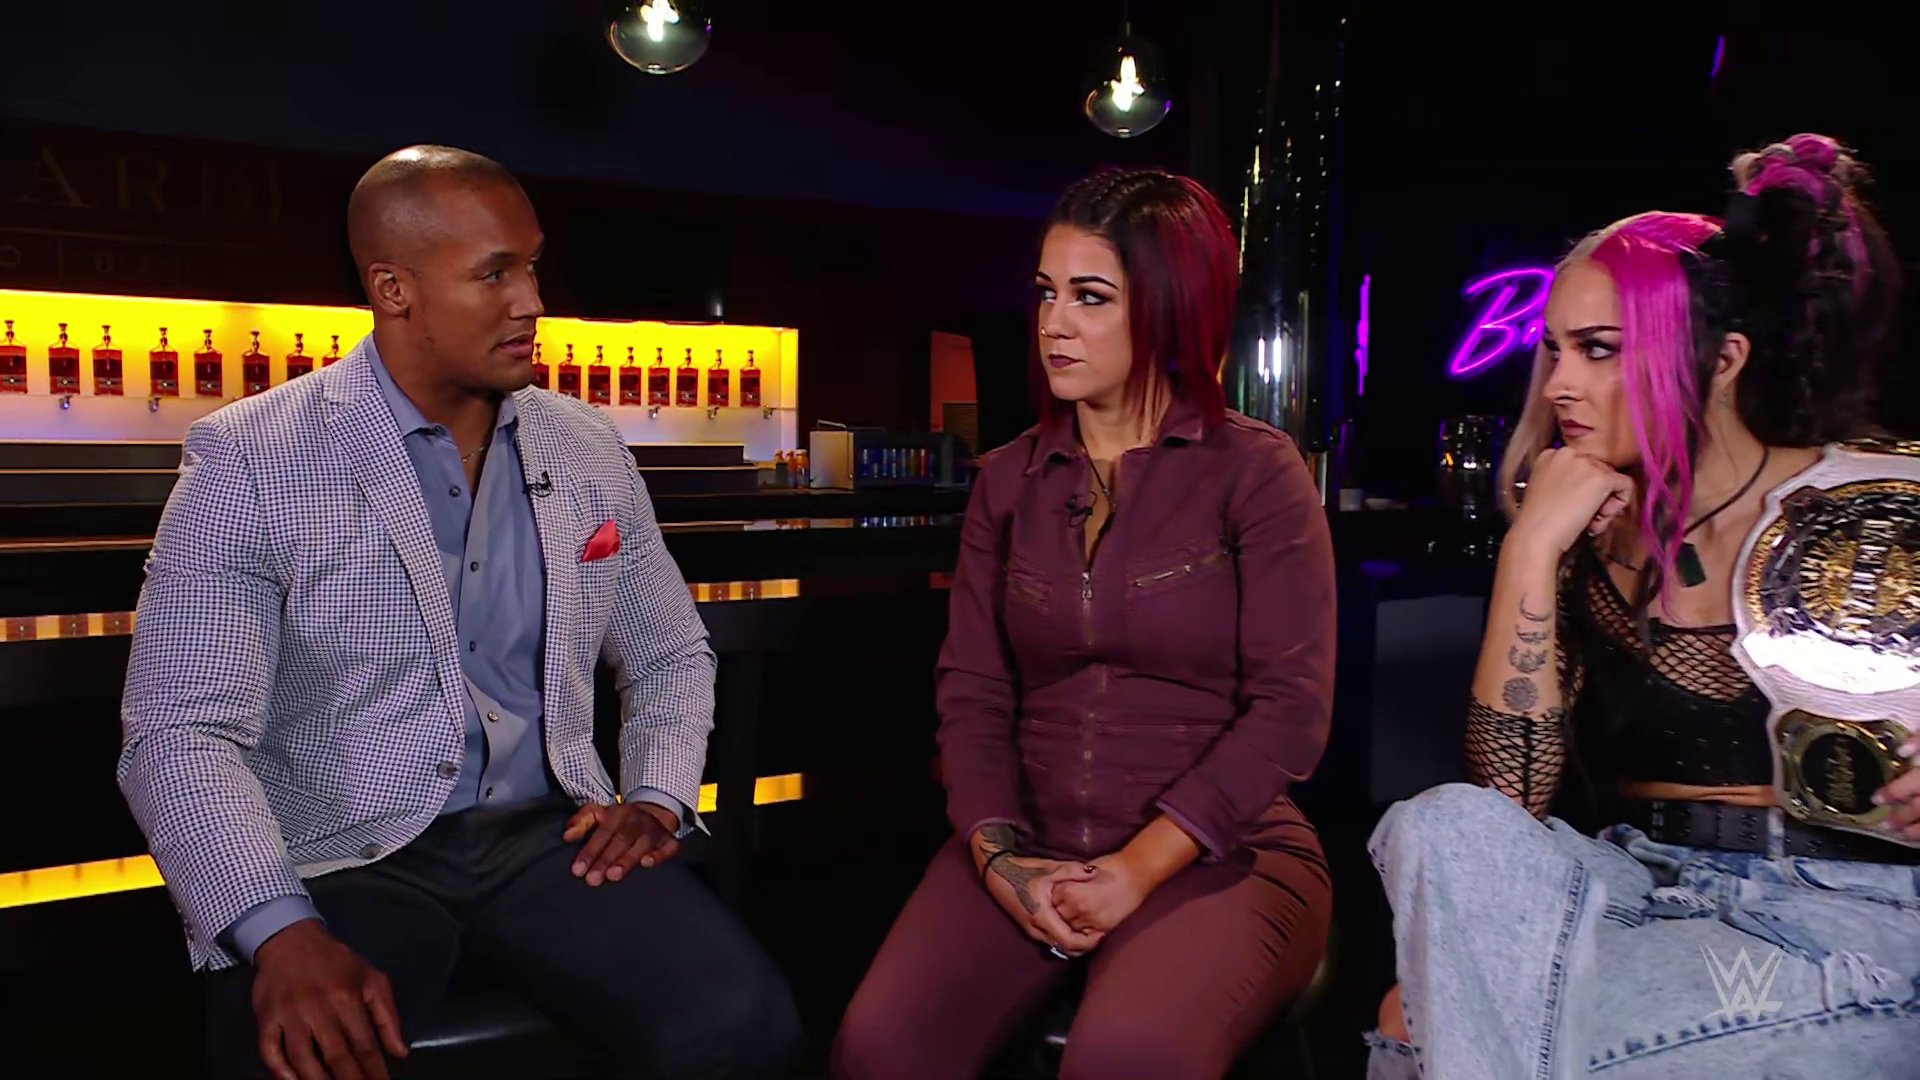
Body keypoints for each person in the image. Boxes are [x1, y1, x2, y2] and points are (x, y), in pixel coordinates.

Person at [117, 145, 800, 1080]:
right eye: (494, 274)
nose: (532, 301)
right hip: (342, 856)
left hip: (550, 839)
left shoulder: (586, 444)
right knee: (302, 1059)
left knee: (745, 1024)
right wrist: (278, 932)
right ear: (394, 290)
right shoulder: (251, 456)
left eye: (533, 267)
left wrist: (655, 795)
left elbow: (671, 653)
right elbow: (178, 731)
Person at [1365, 134, 1919, 1079]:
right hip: (1636, 894)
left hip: (1832, 913)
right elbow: (1509, 804)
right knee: (1439, 825)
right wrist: (1531, 551)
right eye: (1553, 350)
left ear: (1722, 360)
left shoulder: (1875, 508)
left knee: (1424, 1024)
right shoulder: (1581, 536)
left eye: (1599, 351)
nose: (1559, 384)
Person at [832, 167, 1337, 1080]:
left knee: (1123, 1061)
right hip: (1029, 844)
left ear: (1170, 311)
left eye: (1090, 297)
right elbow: (974, 694)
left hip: (1218, 855)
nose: (1053, 324)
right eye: (1046, 293)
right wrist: (999, 860)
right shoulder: (1007, 480)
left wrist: (1136, 870)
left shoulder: (1255, 473)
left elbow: (1290, 711)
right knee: (879, 1051)